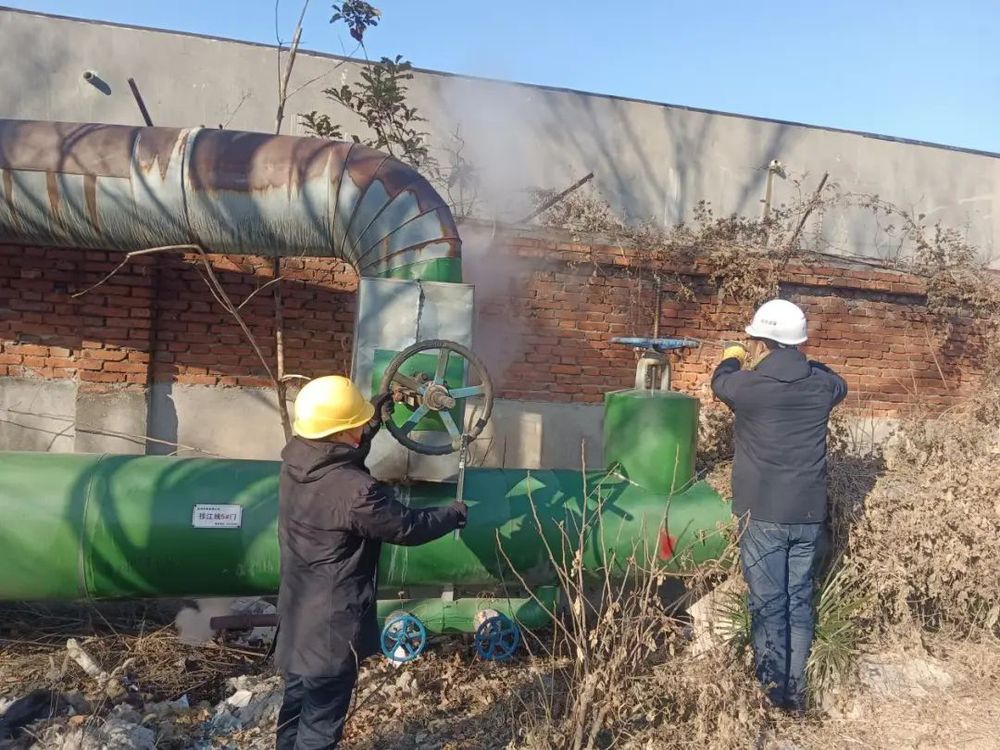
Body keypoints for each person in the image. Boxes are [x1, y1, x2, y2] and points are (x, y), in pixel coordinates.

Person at [275, 375, 467, 749]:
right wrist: (454, 514)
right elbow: (407, 526)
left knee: (295, 709)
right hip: (330, 632)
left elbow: (338, 460)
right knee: (318, 728)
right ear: (343, 430)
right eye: (358, 421)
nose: (364, 425)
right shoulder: (355, 491)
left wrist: (373, 424)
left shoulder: (296, 461)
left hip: (297, 618)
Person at [710, 299, 847, 713]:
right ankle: (795, 696)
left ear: (762, 342)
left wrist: (733, 354)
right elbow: (836, 380)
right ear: (799, 342)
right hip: (807, 513)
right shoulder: (821, 387)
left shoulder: (748, 387)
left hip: (763, 513)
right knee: (798, 601)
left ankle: (771, 698)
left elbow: (720, 380)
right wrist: (806, 361)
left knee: (768, 604)